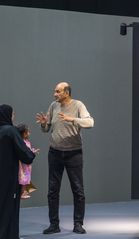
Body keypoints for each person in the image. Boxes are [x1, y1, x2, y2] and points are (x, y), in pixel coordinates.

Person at [36, 82, 94, 235]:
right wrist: (43, 125)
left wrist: (72, 120)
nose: (55, 94)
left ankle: (78, 224)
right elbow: (47, 128)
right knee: (52, 191)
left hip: (73, 154)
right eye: (55, 91)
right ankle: (54, 224)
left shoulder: (78, 105)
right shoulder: (53, 106)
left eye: (58, 92)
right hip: (54, 153)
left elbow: (90, 122)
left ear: (66, 93)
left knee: (78, 191)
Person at [0, 105, 36, 239]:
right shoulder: (11, 131)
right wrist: (31, 154)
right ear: (7, 115)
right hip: (8, 179)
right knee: (8, 209)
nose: (13, 117)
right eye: (12, 114)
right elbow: (25, 154)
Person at [16, 124, 40, 199]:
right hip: (23, 166)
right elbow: (26, 152)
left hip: (27, 166)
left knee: (25, 180)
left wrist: (33, 151)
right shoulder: (22, 143)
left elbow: (28, 151)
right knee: (24, 179)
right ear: (24, 134)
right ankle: (22, 193)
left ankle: (23, 193)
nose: (29, 133)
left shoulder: (25, 142)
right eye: (28, 132)